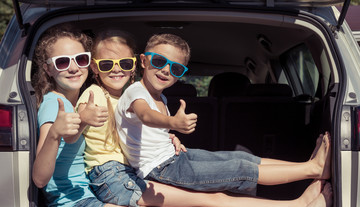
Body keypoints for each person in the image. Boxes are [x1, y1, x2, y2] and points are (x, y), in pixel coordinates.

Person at [32, 26, 332, 207]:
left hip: (109, 186)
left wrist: (167, 134)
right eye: (62, 62)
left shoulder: (93, 99)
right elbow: (42, 176)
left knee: (212, 202)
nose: (73, 67)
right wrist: (67, 128)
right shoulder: (59, 103)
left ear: (89, 64)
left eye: (79, 59)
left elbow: (125, 131)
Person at [115, 33, 332, 196]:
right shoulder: (135, 91)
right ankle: (313, 169)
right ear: (143, 61)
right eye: (159, 61)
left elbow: (145, 129)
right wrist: (173, 123)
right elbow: (144, 115)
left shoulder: (160, 98)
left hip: (173, 158)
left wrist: (170, 135)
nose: (165, 70)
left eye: (176, 68)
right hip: (160, 170)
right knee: (240, 168)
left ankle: (307, 165)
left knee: (242, 157)